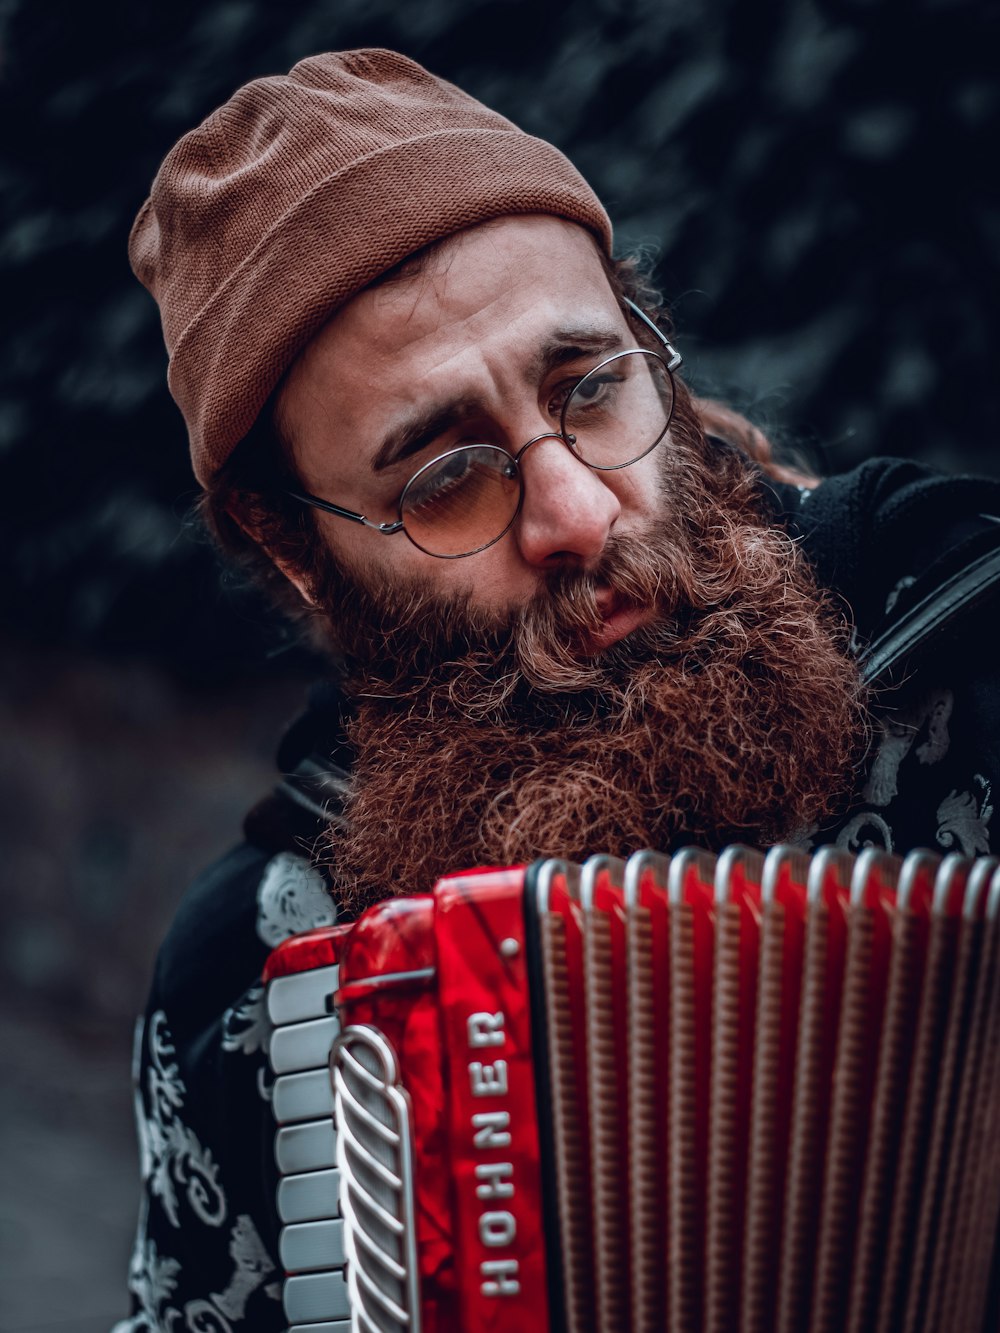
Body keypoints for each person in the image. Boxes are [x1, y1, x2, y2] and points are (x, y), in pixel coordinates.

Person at [114, 49, 1000, 1329]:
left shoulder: (963, 636)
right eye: (444, 476)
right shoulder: (252, 979)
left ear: (648, 346)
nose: (577, 511)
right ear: (293, 551)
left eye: (588, 389)